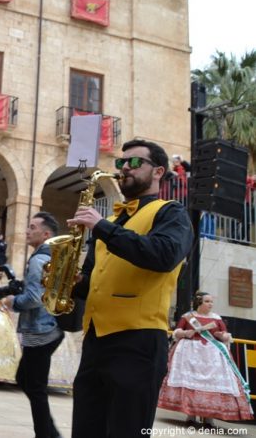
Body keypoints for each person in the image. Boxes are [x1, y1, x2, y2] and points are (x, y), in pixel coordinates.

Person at [69, 139, 194, 438]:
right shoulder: (110, 220)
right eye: (121, 163)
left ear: (158, 172)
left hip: (138, 341)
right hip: (96, 340)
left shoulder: (171, 213)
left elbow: (163, 255)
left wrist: (103, 227)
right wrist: (70, 282)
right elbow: (92, 282)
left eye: (135, 163)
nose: (125, 167)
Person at [4, 211, 64, 438]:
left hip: (41, 331)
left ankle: (47, 434)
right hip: (47, 329)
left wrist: (12, 302)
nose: (27, 231)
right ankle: (49, 432)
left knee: (34, 386)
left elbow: (34, 298)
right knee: (27, 380)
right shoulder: (50, 255)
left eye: (32, 227)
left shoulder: (39, 258)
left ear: (46, 233)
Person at [158, 291, 253, 425]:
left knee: (213, 385)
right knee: (191, 381)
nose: (210, 304)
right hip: (191, 352)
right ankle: (190, 416)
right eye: (207, 301)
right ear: (199, 303)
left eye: (211, 302)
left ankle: (209, 419)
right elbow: (177, 332)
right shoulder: (188, 317)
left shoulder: (216, 318)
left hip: (212, 355)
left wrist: (222, 335)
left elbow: (225, 334)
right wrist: (186, 332)